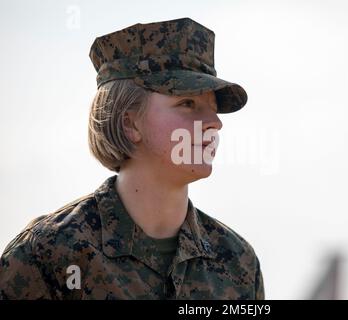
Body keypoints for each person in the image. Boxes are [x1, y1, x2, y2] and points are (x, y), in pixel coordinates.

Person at [0, 17, 265, 300]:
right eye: (187, 103)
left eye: (213, 108)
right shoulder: (49, 254)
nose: (214, 123)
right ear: (130, 123)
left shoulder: (239, 263)